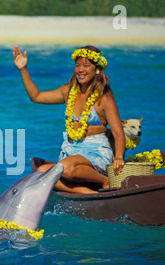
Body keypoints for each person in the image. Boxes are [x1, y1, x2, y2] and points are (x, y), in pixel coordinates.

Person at [13, 45, 125, 194]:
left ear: (97, 69)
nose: (80, 70)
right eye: (77, 65)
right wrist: (23, 69)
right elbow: (36, 96)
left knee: (64, 168)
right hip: (70, 151)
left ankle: (105, 180)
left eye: (86, 66)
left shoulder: (103, 99)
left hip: (95, 152)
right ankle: (88, 193)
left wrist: (118, 157)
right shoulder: (68, 92)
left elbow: (118, 133)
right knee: (41, 172)